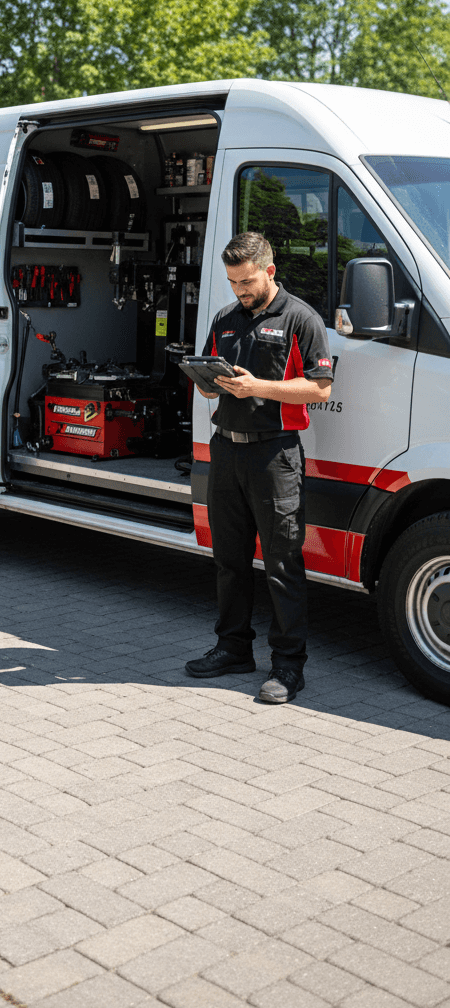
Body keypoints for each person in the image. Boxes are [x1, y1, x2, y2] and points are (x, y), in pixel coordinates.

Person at [185, 231, 333, 703]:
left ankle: (289, 667)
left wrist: (259, 388)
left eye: (246, 281)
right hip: (226, 449)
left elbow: (320, 388)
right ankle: (232, 649)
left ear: (269, 271)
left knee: (282, 563)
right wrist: (208, 383)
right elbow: (213, 381)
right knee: (228, 560)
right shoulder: (226, 319)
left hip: (275, 456)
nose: (239, 290)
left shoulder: (301, 319)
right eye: (232, 282)